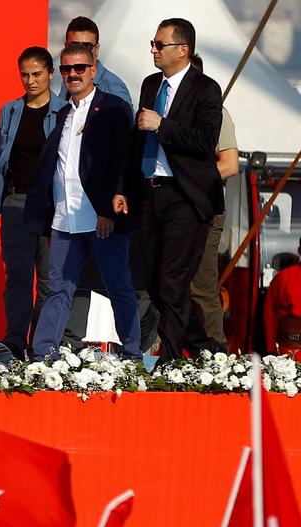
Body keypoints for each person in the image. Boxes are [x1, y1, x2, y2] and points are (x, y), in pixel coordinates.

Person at [116, 18, 224, 363]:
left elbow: (206, 142)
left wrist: (163, 124)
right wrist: (123, 189)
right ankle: (204, 344)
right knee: (152, 279)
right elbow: (135, 142)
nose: (153, 49)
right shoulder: (150, 85)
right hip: (150, 193)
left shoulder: (206, 89)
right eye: (153, 43)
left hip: (185, 196)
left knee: (172, 280)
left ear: (183, 50)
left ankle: (172, 356)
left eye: (159, 44)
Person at [24, 44, 140, 360]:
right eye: (66, 69)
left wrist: (109, 210)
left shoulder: (114, 108)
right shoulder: (63, 113)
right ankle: (43, 354)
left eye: (79, 68)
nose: (72, 74)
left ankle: (131, 353)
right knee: (58, 289)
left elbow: (123, 160)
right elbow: (55, 168)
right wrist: (46, 215)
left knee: (118, 286)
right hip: (65, 218)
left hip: (100, 216)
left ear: (93, 69)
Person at [0, 46, 66, 364]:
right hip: (15, 202)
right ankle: (14, 341)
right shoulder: (9, 111)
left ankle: (41, 346)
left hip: (51, 205)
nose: (30, 81)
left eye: (36, 74)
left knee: (47, 278)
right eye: (24, 74)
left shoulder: (64, 112)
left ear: (50, 74)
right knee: (17, 275)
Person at [187, 53, 238, 349]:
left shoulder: (217, 112)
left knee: (202, 284)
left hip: (204, 208)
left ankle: (216, 353)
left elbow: (230, 164)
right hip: (173, 208)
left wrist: (187, 177)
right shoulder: (163, 113)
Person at [56, 16, 133, 110]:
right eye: (74, 46)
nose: (80, 52)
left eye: (87, 46)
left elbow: (126, 122)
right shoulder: (68, 77)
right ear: (66, 47)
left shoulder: (111, 87)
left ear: (96, 49)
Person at [264, 238, 301, 357]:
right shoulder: (282, 278)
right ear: (300, 250)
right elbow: (269, 315)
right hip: (289, 353)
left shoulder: (282, 277)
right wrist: (271, 349)